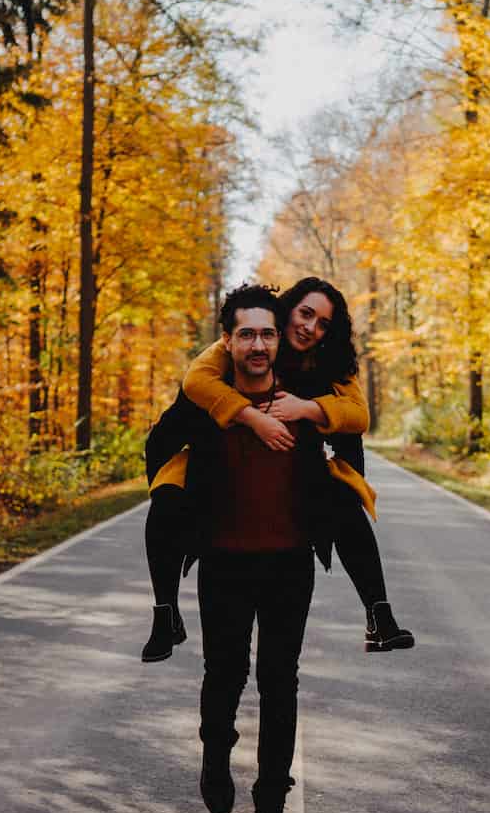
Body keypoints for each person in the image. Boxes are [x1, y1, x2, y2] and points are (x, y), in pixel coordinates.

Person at [144, 283, 335, 813]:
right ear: (227, 341)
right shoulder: (207, 403)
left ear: (280, 340)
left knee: (281, 683)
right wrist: (178, 506)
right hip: (224, 564)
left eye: (268, 334)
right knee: (223, 674)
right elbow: (156, 447)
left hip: (288, 566)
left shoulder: (304, 400)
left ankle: (271, 808)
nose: (258, 344)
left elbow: (349, 449)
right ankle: (214, 750)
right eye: (247, 334)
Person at [140, 276, 413, 662]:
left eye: (323, 324)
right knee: (166, 502)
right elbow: (195, 380)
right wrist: (252, 417)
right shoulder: (249, 338)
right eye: (305, 314)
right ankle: (165, 613)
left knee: (343, 502)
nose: (310, 328)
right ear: (288, 309)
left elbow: (358, 414)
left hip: (298, 471)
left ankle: (379, 614)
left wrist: (307, 408)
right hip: (202, 448)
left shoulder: (329, 361)